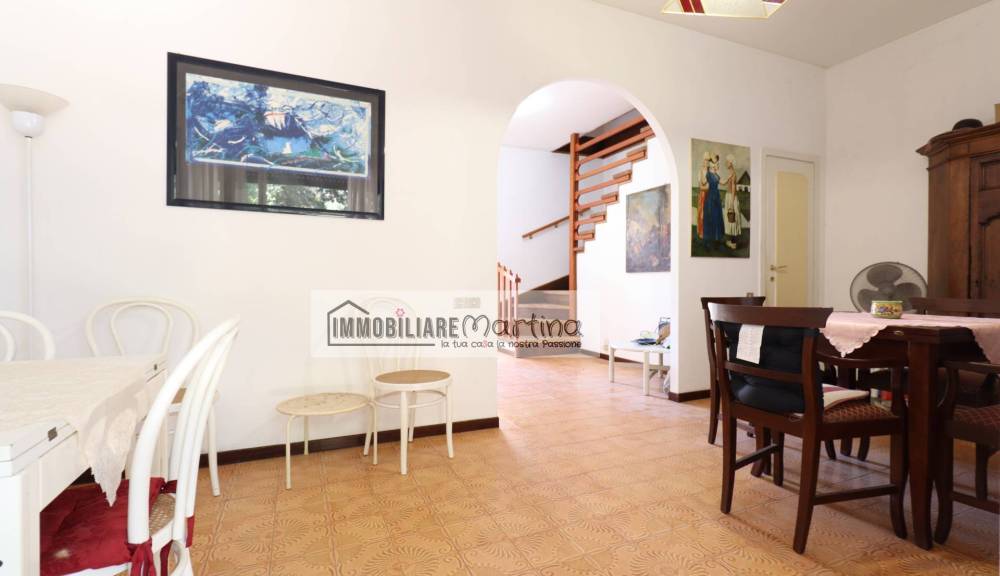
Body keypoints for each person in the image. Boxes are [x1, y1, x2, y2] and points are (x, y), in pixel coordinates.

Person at [702, 157, 725, 246]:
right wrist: (704, 171)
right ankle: (708, 240)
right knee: (710, 217)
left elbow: (722, 183)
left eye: (717, 164)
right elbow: (703, 183)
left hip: (717, 197)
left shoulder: (716, 175)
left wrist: (730, 178)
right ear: (712, 165)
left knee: (717, 217)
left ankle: (716, 239)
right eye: (716, 164)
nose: (717, 165)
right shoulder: (708, 174)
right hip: (710, 198)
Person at [722, 154, 742, 250]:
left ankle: (733, 243)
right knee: (730, 219)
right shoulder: (730, 173)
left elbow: (733, 188)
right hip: (729, 196)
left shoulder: (733, 173)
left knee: (733, 218)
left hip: (731, 197)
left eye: (727, 161)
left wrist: (731, 203)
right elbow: (725, 183)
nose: (726, 163)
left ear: (731, 163)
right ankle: (731, 241)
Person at [697, 152, 710, 239]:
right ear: (703, 161)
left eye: (708, 161)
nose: (707, 162)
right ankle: (701, 232)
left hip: (709, 195)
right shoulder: (700, 171)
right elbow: (700, 186)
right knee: (702, 213)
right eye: (705, 160)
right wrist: (707, 187)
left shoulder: (710, 172)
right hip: (703, 194)